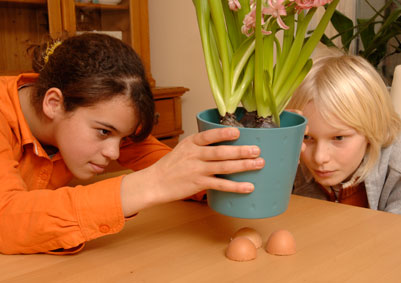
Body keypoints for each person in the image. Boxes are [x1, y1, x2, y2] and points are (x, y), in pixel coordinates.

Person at [0, 33, 265, 254]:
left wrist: (224, 182)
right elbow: (6, 221)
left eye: (123, 138)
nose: (114, 152)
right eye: (104, 132)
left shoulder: (98, 113)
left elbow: (165, 165)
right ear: (53, 104)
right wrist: (154, 183)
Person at [287, 54, 401, 218]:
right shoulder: (293, 150)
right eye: (307, 137)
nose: (319, 157)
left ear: (371, 127)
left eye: (338, 138)